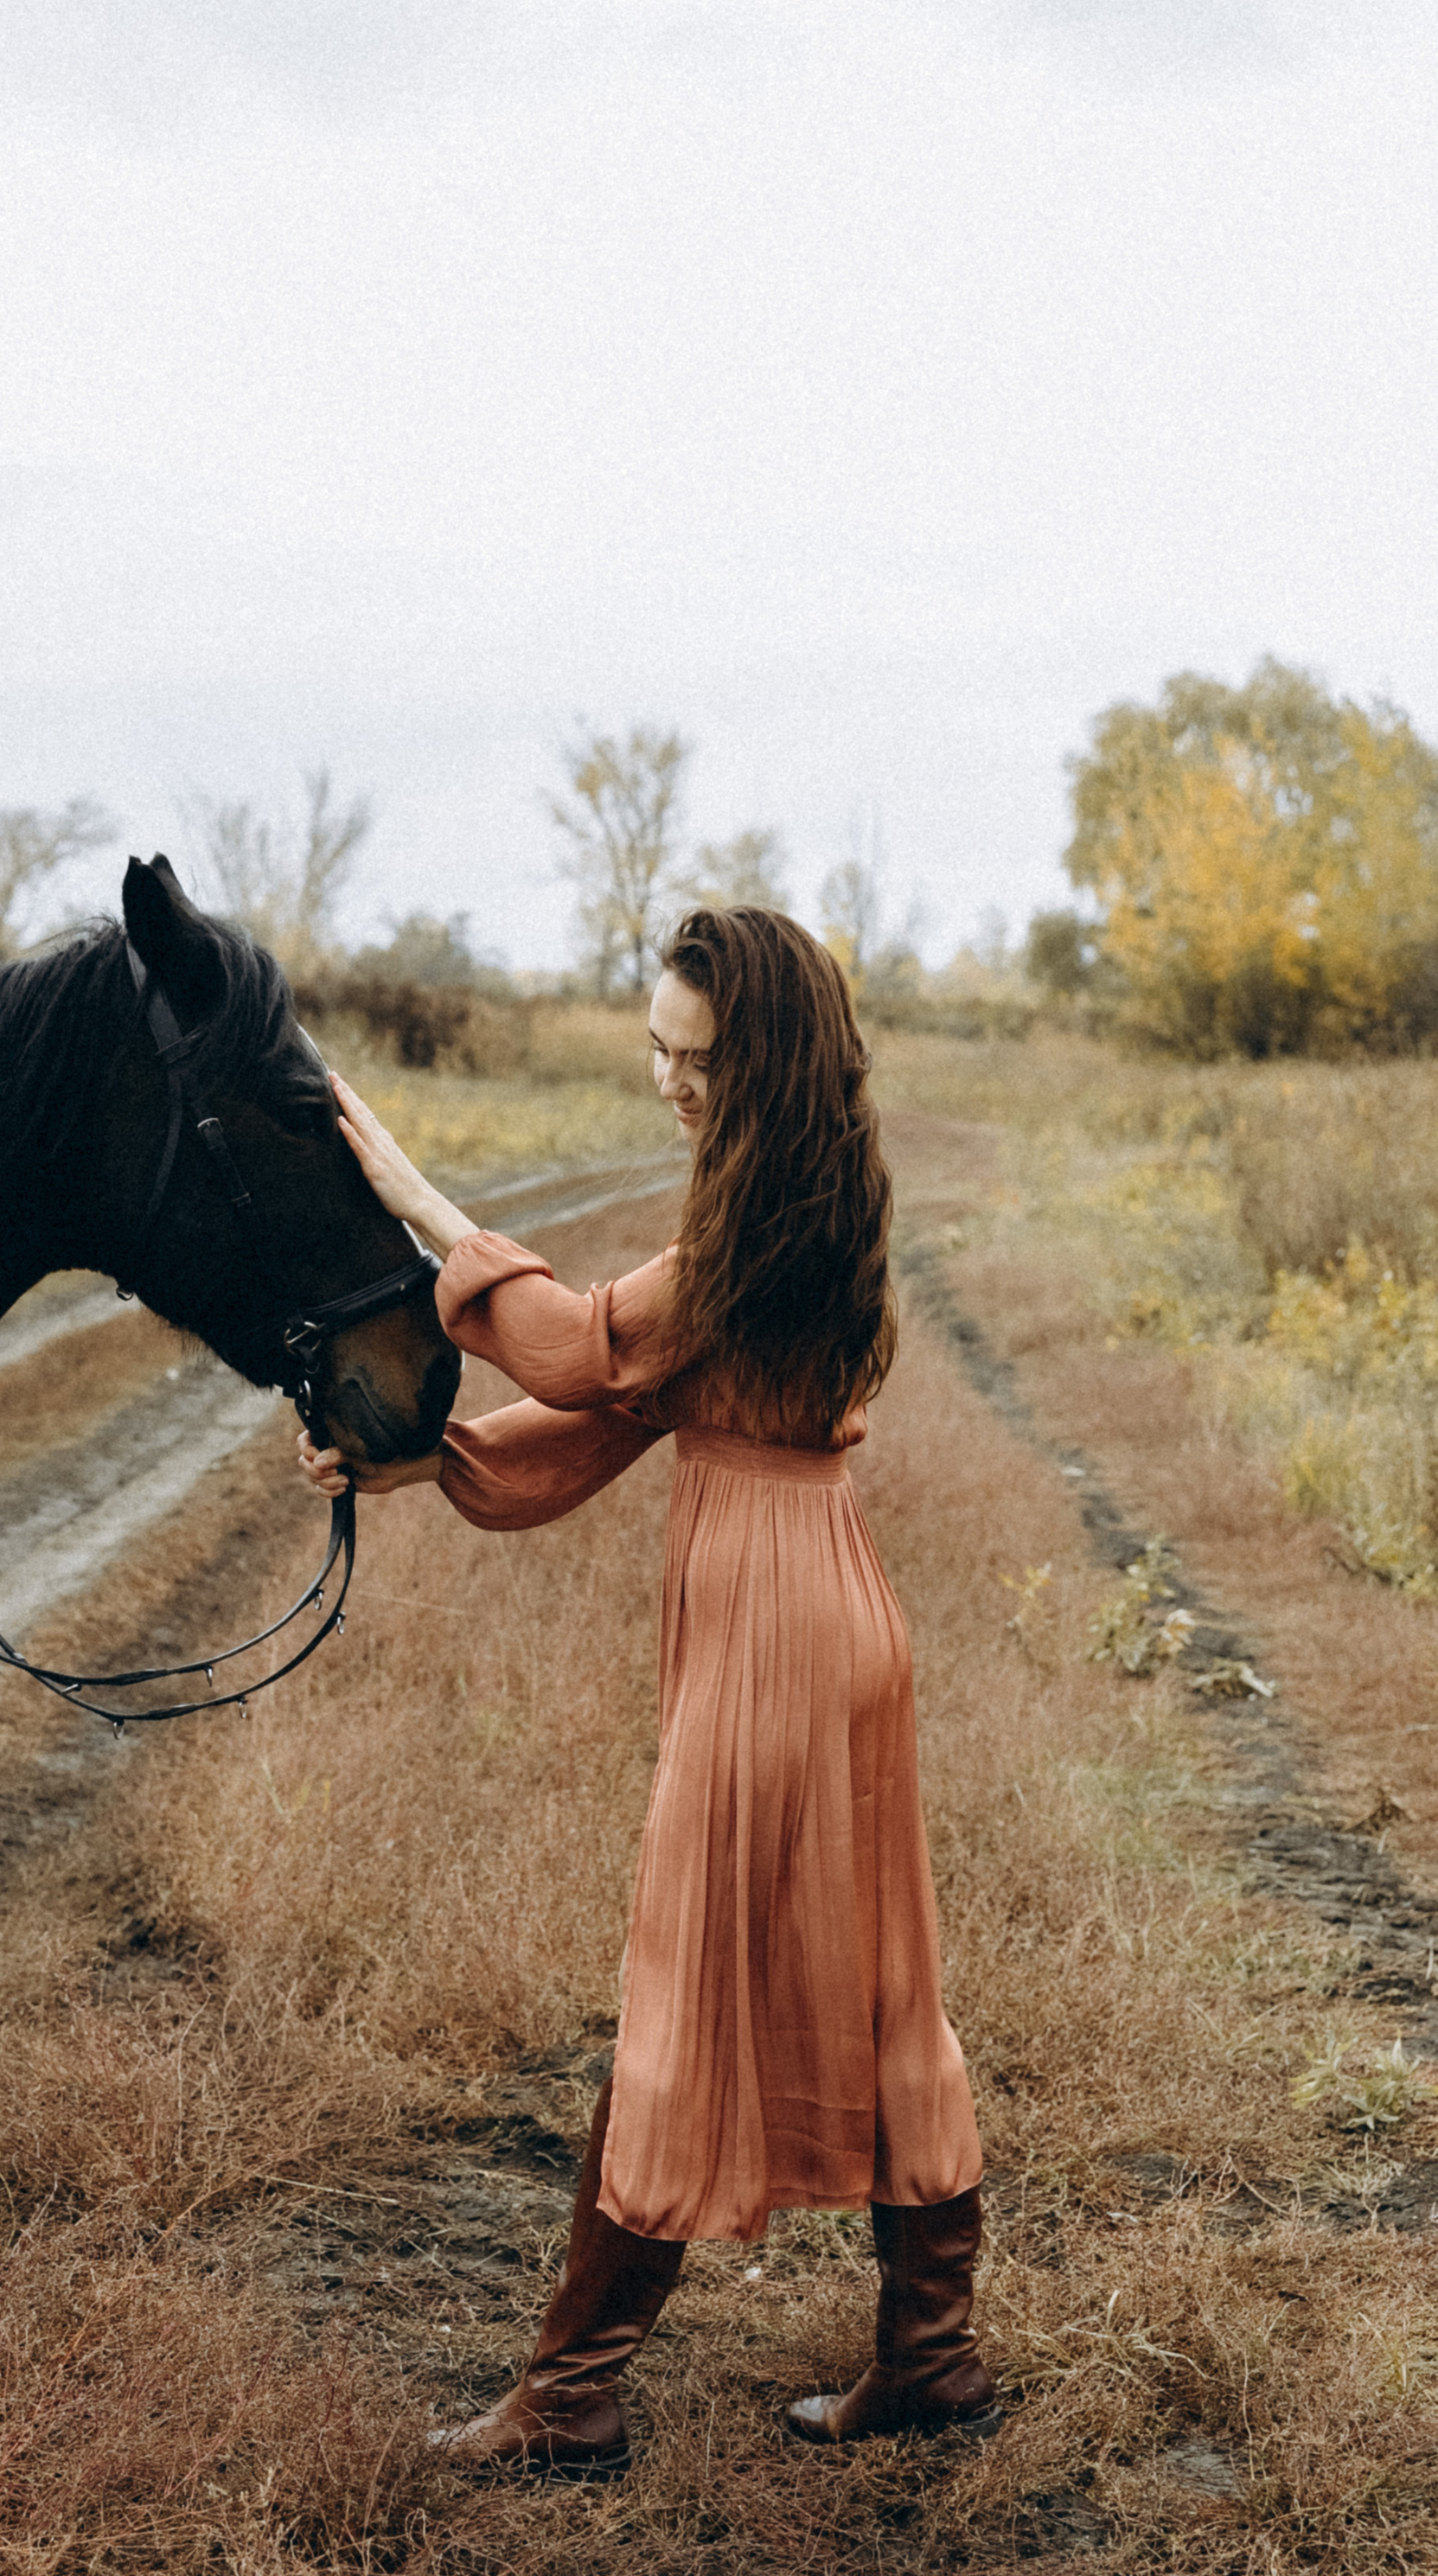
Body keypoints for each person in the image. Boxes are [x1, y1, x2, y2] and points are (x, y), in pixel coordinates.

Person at [297, 904, 994, 2474]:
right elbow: (634, 1403)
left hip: (774, 1632)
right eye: (655, 1048)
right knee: (884, 1988)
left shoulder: (767, 1229)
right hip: (833, 1613)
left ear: (758, 1063)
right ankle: (929, 2357)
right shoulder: (815, 1197)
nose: (664, 1079)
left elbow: (571, 1351)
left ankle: (569, 2397)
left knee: (688, 1997)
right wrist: (429, 1462)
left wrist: (407, 1191)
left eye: (691, 1057)